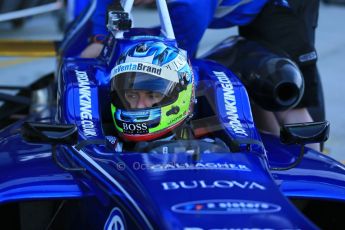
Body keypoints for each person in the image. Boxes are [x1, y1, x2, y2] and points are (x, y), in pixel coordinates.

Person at [82, 0, 323, 151]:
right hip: (237, 10)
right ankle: (266, 150)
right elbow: (100, 40)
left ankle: (312, 163)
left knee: (282, 83)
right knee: (254, 82)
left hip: (280, 6)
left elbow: (177, 61)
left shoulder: (190, 5)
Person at [110, 40, 195, 144]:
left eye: (152, 96)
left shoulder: (209, 150)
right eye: (132, 95)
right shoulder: (101, 147)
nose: (140, 106)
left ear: (183, 96)